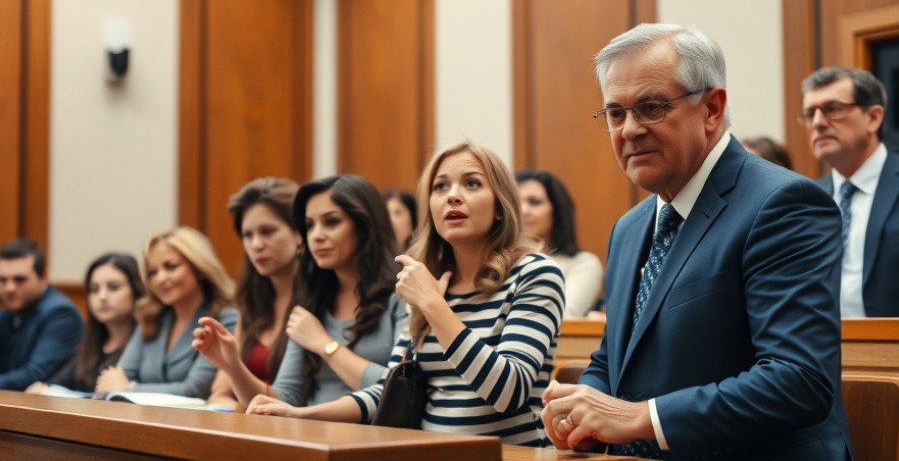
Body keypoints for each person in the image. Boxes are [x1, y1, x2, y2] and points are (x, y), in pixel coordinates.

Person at [541, 24, 852, 459]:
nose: (628, 130)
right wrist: (580, 410)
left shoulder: (783, 204)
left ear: (711, 108)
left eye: (650, 108)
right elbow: (614, 361)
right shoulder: (629, 228)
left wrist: (641, 418)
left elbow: (798, 379)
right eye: (615, 113)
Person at [248, 143, 565, 447]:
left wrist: (434, 306)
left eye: (471, 184)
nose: (453, 196)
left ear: (500, 206)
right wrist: (302, 415)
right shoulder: (428, 281)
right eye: (440, 187)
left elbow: (507, 391)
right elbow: (391, 389)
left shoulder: (534, 273)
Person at [216, 174, 407, 409]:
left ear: (364, 225)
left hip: (375, 439)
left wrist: (324, 344)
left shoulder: (402, 293)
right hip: (310, 436)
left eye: (331, 222)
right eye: (309, 225)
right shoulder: (312, 301)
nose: (316, 235)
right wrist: (233, 366)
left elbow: (401, 390)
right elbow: (284, 400)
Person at [192, 178, 302, 411]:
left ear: (299, 233)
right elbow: (219, 394)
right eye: (248, 235)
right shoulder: (252, 302)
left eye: (268, 231)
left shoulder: (318, 300)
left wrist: (235, 374)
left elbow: (290, 400)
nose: (256, 244)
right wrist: (237, 408)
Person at [800, 66, 899, 317]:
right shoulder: (805, 199)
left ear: (873, 118)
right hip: (823, 351)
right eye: (810, 114)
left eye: (833, 109)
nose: (819, 123)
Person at [95, 227, 237, 398]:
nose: (160, 279)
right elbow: (113, 381)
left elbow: (195, 390)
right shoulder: (152, 318)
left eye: (171, 267)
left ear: (199, 268)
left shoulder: (225, 320)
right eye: (153, 272)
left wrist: (128, 388)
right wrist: (119, 386)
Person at [26, 252, 144, 394]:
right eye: (94, 290)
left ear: (137, 291)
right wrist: (44, 390)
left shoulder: (144, 347)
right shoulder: (90, 344)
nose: (102, 297)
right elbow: (54, 385)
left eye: (113, 287)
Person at [515, 169, 604, 317]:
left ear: (557, 211)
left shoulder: (582, 263)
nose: (523, 210)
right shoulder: (495, 262)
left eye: (534, 202)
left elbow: (563, 318)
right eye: (515, 203)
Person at [0, 238, 84, 390]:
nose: (9, 288)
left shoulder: (62, 315)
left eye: (19, 279)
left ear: (43, 278)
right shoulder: (7, 316)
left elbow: (35, 374)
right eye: (3, 280)